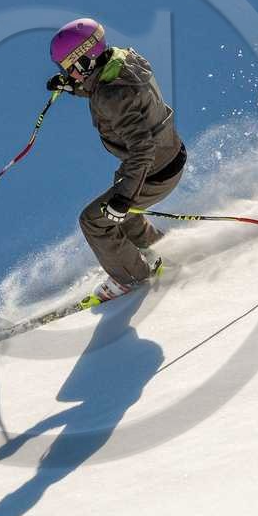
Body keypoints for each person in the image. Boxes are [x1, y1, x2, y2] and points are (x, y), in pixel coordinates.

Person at [46, 18, 186, 304]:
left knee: (94, 220)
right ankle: (155, 249)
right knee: (120, 202)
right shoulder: (124, 59)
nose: (67, 73)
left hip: (155, 169)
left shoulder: (110, 97)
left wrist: (123, 199)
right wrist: (73, 86)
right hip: (169, 155)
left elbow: (142, 147)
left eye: (69, 67)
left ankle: (131, 277)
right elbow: (109, 85)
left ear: (85, 59)